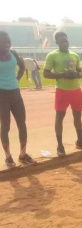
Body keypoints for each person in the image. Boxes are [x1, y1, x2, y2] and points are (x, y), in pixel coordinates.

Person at [43, 32, 82, 157]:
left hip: (75, 89)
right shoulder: (52, 55)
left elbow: (80, 72)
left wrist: (77, 75)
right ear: (57, 43)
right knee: (60, 117)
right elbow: (46, 74)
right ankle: (60, 145)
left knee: (78, 116)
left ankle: (80, 140)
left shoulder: (74, 55)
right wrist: (62, 75)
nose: (64, 43)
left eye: (66, 40)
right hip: (62, 90)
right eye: (61, 41)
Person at [0, 31, 36, 168]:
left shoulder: (13, 53)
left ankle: (23, 155)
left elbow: (21, 66)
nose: (7, 44)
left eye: (8, 41)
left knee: (22, 123)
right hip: (1, 95)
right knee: (5, 126)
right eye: (3, 42)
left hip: (15, 93)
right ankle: (8, 157)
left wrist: (17, 79)